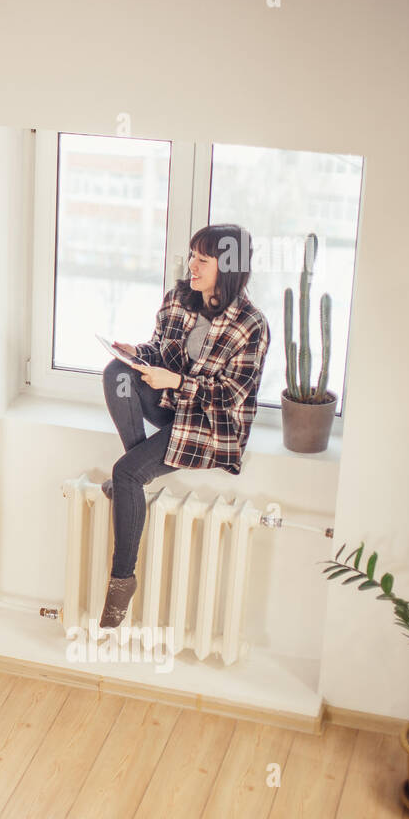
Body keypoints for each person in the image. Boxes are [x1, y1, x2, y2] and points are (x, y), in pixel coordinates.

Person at [99, 223, 271, 629]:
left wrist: (177, 382)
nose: (191, 265)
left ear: (227, 268)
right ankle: (137, 479)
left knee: (124, 474)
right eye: (191, 255)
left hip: (210, 424)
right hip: (170, 404)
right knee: (115, 373)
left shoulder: (252, 324)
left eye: (202, 259)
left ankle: (122, 580)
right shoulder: (179, 297)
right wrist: (134, 352)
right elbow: (160, 349)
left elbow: (233, 396)